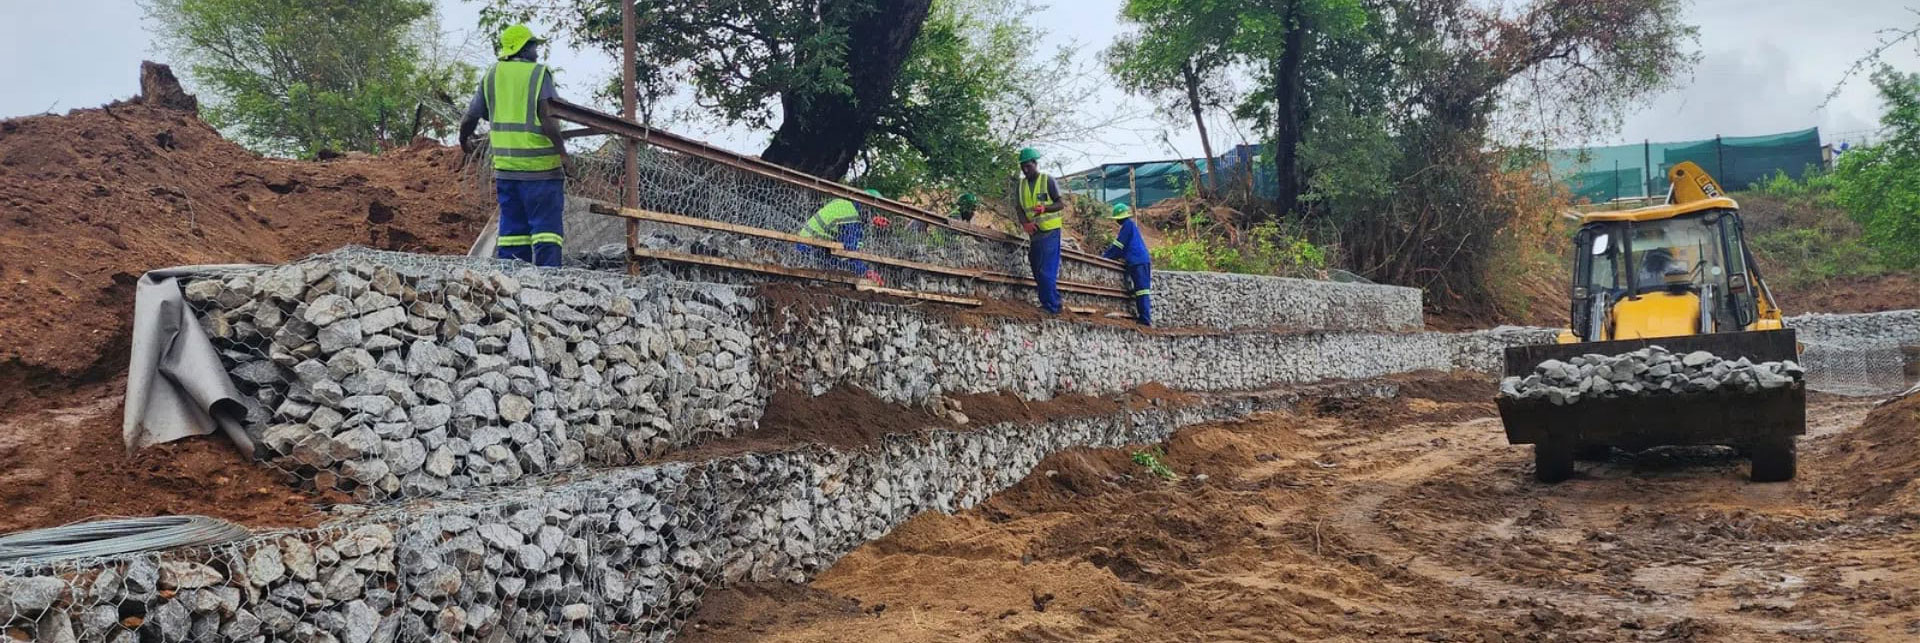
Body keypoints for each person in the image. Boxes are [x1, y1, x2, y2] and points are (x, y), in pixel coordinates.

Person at [460, 24, 571, 267]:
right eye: (533, 46)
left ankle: (513, 285)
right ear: (522, 48)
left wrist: (463, 140)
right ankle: (549, 285)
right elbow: (548, 118)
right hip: (542, 170)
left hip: (507, 170)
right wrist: (563, 155)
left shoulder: (492, 75)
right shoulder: (538, 74)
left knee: (512, 231)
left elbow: (471, 116)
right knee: (546, 231)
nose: (537, 51)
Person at [798, 188, 890, 285]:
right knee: (841, 269)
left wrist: (870, 221)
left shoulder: (846, 206)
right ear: (866, 205)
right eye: (872, 210)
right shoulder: (851, 216)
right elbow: (849, 252)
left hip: (808, 242)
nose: (873, 213)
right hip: (811, 248)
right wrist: (866, 272)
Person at [1014, 147, 1065, 314]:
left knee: (1046, 270)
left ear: (1035, 163)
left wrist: (1045, 209)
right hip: (1034, 233)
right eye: (1022, 167)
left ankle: (1052, 306)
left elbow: (1060, 204)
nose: (1025, 169)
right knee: (1036, 267)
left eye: (1028, 166)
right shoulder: (1021, 185)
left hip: (1050, 231)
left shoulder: (1047, 180)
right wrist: (1025, 224)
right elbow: (1019, 208)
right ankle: (1048, 301)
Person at [1102, 204, 1153, 325]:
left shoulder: (1127, 226)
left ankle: (1145, 319)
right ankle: (1144, 317)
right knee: (1142, 290)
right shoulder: (1130, 226)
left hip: (1138, 261)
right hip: (1140, 260)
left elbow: (1118, 247)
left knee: (1142, 290)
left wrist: (1105, 257)